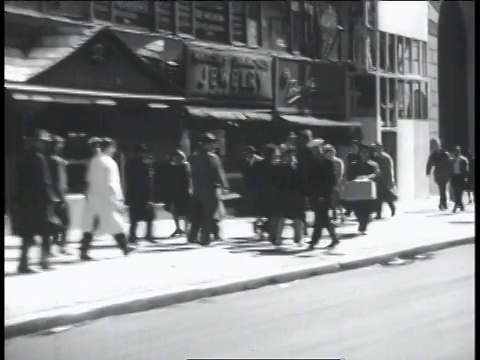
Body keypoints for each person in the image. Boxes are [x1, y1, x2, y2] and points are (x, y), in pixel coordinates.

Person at [79, 138, 135, 260]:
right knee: (113, 222)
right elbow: (112, 182)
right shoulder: (110, 162)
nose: (114, 150)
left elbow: (88, 180)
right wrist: (118, 198)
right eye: (113, 147)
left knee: (92, 223)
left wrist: (88, 195)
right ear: (109, 147)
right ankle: (124, 247)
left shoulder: (94, 160)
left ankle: (84, 250)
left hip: (94, 197)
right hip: (106, 197)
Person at [16, 130, 59, 273]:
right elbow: (44, 181)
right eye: (43, 142)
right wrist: (51, 198)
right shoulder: (39, 158)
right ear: (37, 142)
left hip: (25, 201)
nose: (44, 144)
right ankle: (44, 260)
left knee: (27, 233)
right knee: (45, 230)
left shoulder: (22, 157)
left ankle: (23, 263)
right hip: (39, 201)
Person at [188, 133, 229, 246]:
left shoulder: (193, 157)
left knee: (197, 214)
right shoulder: (213, 157)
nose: (214, 146)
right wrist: (224, 185)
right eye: (212, 143)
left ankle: (192, 235)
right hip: (209, 190)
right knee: (208, 214)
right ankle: (205, 237)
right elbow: (218, 172)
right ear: (206, 144)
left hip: (197, 190)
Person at [306, 140, 339, 249]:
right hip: (316, 194)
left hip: (323, 195)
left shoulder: (325, 162)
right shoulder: (314, 161)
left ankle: (314, 241)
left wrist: (322, 194)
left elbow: (329, 181)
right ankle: (333, 238)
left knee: (321, 218)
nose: (315, 151)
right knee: (323, 218)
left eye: (316, 149)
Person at [346, 144, 381, 235]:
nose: (364, 155)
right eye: (362, 153)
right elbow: (349, 175)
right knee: (358, 210)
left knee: (366, 209)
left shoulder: (373, 164)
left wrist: (369, 177)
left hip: (368, 190)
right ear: (360, 154)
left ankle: (363, 227)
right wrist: (356, 178)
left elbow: (377, 174)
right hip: (357, 190)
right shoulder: (354, 164)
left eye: (366, 153)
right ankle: (362, 223)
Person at [125, 144, 156, 245]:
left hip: (133, 193)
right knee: (149, 216)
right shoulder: (143, 165)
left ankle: (132, 236)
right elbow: (146, 181)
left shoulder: (129, 164)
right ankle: (148, 235)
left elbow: (127, 180)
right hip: (142, 194)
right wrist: (150, 196)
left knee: (134, 218)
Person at [47, 135, 71, 255]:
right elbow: (59, 181)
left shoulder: (47, 159)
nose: (62, 146)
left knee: (52, 222)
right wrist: (62, 197)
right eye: (60, 144)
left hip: (50, 195)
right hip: (58, 195)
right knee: (66, 222)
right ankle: (62, 246)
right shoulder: (57, 161)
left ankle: (51, 247)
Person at [277, 146, 304, 245]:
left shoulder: (297, 167)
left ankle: (298, 238)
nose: (291, 157)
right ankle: (278, 237)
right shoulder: (283, 168)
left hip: (295, 195)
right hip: (287, 195)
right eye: (289, 155)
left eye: (292, 155)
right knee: (283, 217)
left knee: (297, 217)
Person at [255, 144, 282, 242]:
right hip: (272, 193)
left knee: (270, 215)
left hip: (263, 193)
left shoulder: (259, 164)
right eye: (276, 152)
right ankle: (271, 234)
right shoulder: (274, 166)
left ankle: (266, 230)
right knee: (274, 214)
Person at [165, 148, 193, 238]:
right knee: (175, 211)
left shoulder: (186, 165)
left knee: (186, 210)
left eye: (179, 156)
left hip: (184, 190)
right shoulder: (172, 166)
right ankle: (177, 228)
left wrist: (190, 188)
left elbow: (189, 177)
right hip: (175, 190)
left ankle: (186, 228)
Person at [242, 146, 264, 235]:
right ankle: (258, 222)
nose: (246, 155)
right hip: (252, 187)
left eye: (247, 153)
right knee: (255, 205)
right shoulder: (247, 161)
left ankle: (260, 223)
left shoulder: (260, 161)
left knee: (260, 205)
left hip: (260, 187)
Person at [372, 142, 397, 219]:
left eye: (377, 148)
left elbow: (390, 170)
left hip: (385, 179)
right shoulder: (376, 157)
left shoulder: (386, 157)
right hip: (378, 179)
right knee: (379, 197)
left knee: (386, 196)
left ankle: (392, 208)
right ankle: (379, 214)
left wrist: (391, 180)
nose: (376, 149)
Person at [426, 146, 453, 210]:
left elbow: (429, 163)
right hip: (445, 174)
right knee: (442, 189)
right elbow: (450, 163)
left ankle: (442, 204)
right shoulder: (446, 154)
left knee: (441, 189)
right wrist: (451, 173)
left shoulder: (434, 155)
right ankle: (443, 204)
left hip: (438, 174)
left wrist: (428, 172)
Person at [323, 145, 345, 222]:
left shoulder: (338, 161)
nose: (330, 155)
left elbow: (341, 173)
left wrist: (337, 183)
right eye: (328, 153)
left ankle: (342, 215)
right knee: (330, 200)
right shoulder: (325, 162)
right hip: (328, 184)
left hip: (337, 183)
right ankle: (334, 213)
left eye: (331, 153)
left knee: (339, 200)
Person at [450, 146, 469, 213]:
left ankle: (456, 206)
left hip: (460, 177)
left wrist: (466, 177)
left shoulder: (463, 160)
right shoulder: (453, 160)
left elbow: (466, 170)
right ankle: (461, 206)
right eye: (455, 151)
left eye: (457, 151)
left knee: (459, 192)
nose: (456, 152)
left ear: (459, 151)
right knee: (456, 192)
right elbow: (451, 169)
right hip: (454, 177)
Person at [344, 140, 360, 217]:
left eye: (355, 147)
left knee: (357, 193)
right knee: (350, 193)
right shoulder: (349, 156)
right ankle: (349, 210)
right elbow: (348, 165)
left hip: (357, 175)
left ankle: (356, 209)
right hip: (350, 175)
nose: (353, 149)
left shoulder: (359, 155)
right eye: (352, 147)